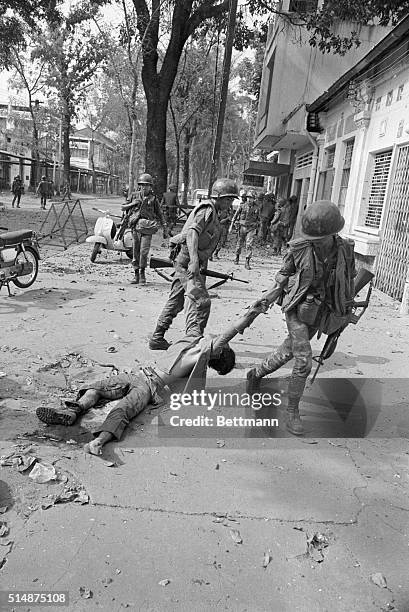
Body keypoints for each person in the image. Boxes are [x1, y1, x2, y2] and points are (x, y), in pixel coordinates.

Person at [35, 297, 269, 455]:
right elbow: (192, 313)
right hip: (138, 375)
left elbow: (231, 332)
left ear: (217, 352)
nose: (215, 335)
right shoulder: (192, 340)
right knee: (95, 388)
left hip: (148, 386)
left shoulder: (200, 354)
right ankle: (72, 410)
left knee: (121, 411)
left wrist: (252, 314)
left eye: (220, 345)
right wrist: (191, 282)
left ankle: (98, 442)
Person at [246, 200, 356, 436]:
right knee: (303, 358)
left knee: (289, 351)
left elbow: (349, 280)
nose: (316, 242)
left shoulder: (345, 249)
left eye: (321, 238)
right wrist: (268, 296)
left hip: (323, 310)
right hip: (297, 308)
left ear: (333, 232)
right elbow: (283, 276)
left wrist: (345, 311)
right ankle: (292, 411)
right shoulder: (298, 248)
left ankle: (256, 373)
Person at [149, 178, 239, 351]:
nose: (230, 203)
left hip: (190, 262)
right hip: (188, 262)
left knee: (177, 301)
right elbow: (192, 233)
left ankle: (157, 337)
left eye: (232, 200)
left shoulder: (216, 213)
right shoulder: (207, 209)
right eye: (228, 199)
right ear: (218, 196)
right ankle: (192, 343)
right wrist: (195, 261)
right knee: (201, 302)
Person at [122, 173, 168, 286]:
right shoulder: (134, 196)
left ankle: (142, 273)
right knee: (135, 251)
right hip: (135, 228)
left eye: (146, 185)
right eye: (142, 185)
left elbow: (159, 213)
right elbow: (125, 208)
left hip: (147, 228)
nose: (144, 187)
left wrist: (165, 226)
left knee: (144, 252)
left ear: (150, 187)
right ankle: (136, 274)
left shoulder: (153, 199)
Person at [230, 190, 260, 269]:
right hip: (242, 227)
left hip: (251, 228)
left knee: (249, 244)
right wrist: (231, 226)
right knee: (239, 243)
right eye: (248, 198)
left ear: (254, 199)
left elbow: (259, 219)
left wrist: (257, 227)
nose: (249, 199)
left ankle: (247, 261)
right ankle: (237, 257)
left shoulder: (257, 208)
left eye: (251, 198)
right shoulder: (242, 206)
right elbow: (235, 216)